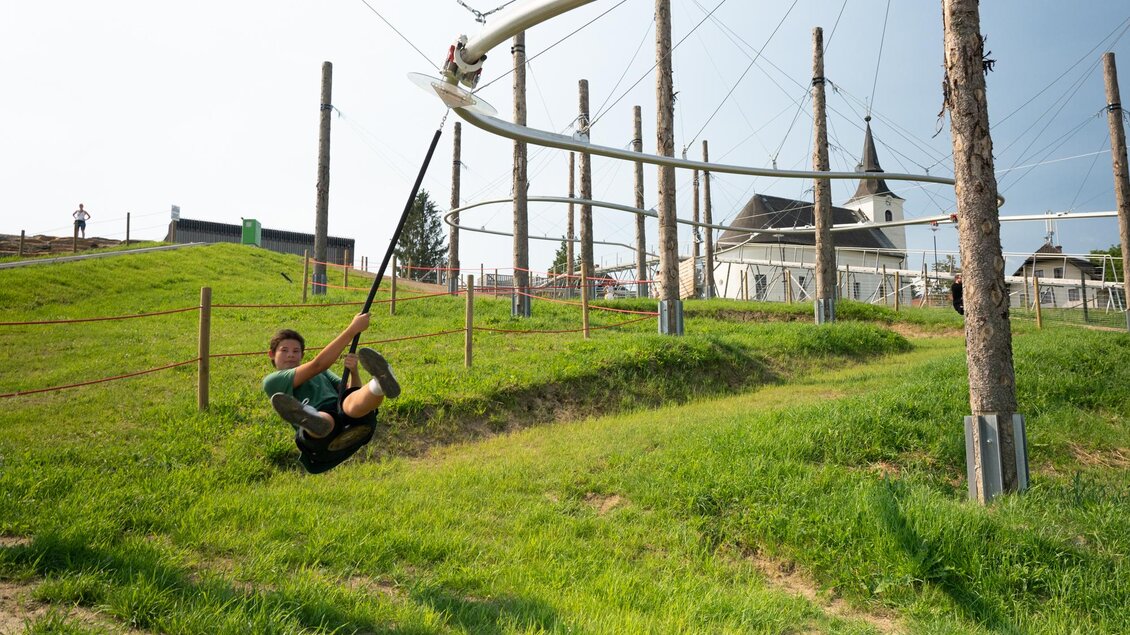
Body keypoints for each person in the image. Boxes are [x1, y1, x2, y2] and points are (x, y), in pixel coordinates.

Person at [263, 313, 400, 469]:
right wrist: (352, 330)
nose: (290, 355)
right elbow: (318, 364)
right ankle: (310, 417)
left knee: (349, 402)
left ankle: (379, 384)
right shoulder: (272, 381)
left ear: (302, 354)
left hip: (350, 420)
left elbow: (350, 390)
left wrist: (354, 372)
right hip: (321, 443)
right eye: (284, 350)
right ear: (272, 355)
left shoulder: (321, 374)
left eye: (296, 351)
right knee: (326, 418)